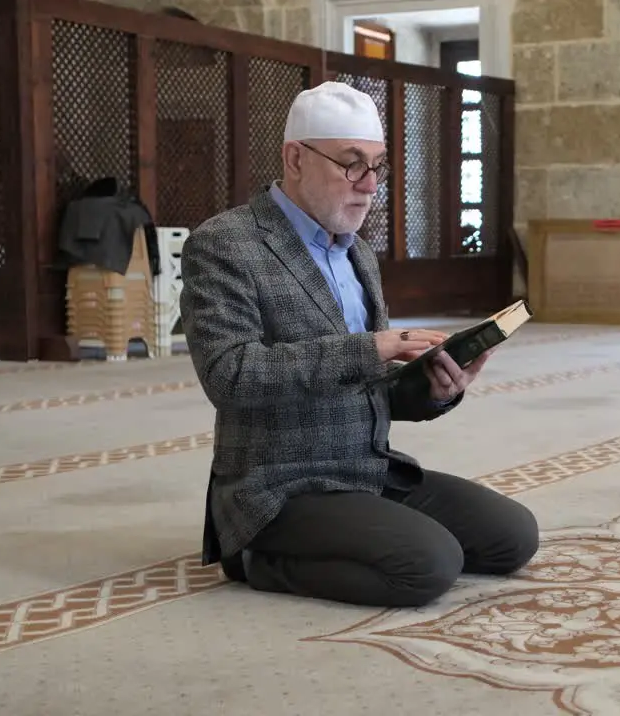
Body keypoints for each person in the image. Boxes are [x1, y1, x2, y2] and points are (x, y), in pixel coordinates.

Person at [178, 81, 540, 608]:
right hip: (279, 487)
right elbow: (230, 375)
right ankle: (255, 557)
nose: (369, 184)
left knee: (512, 536)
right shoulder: (225, 244)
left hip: (366, 469)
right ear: (295, 158)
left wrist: (436, 387)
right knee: (428, 565)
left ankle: (362, 527)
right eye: (351, 164)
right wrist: (370, 349)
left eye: (377, 165)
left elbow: (376, 392)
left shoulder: (358, 255)